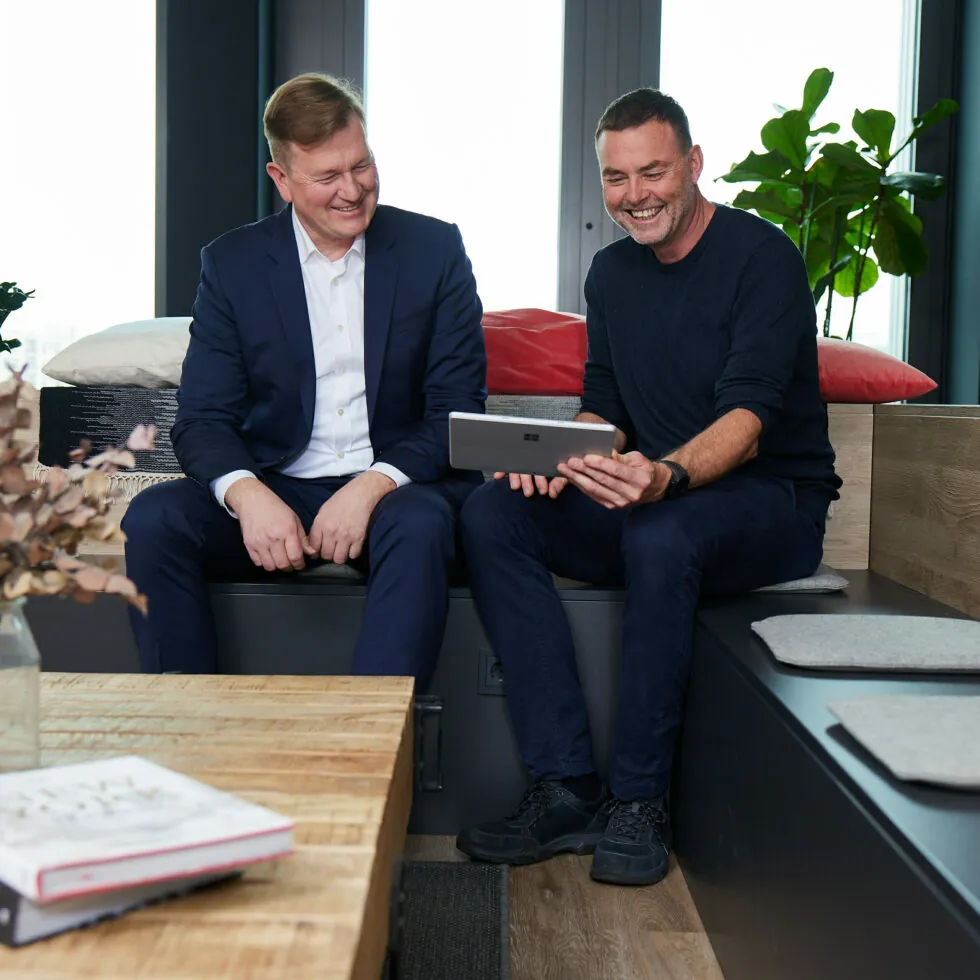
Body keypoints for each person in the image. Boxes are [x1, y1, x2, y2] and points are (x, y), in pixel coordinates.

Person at [455, 88, 841, 887]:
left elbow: (749, 419)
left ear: (693, 164)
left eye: (653, 172)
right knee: (493, 512)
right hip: (653, 496)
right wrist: (563, 456)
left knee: (661, 533)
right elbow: (609, 406)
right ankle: (565, 786)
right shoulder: (612, 273)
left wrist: (664, 477)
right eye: (616, 177)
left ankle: (639, 801)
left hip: (772, 505)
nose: (635, 195)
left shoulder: (762, 257)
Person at [123, 73, 486, 681]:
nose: (353, 190)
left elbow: (456, 408)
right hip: (278, 484)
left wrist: (371, 487)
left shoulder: (434, 249)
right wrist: (248, 495)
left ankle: (373, 734)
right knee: (153, 519)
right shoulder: (232, 264)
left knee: (421, 524)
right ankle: (186, 723)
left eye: (361, 165)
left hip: (396, 488)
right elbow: (202, 419)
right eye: (328, 177)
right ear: (282, 179)